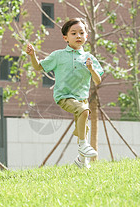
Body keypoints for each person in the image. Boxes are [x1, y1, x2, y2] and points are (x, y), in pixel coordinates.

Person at [26, 18, 103, 168]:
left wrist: (92, 69)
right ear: (65, 38)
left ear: (86, 36)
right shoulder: (58, 55)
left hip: (82, 98)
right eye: (74, 33)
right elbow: (38, 67)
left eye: (82, 33)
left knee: (84, 127)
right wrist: (32, 55)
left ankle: (81, 161)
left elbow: (97, 80)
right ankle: (83, 145)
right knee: (84, 111)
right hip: (64, 96)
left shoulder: (89, 58)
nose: (78, 36)